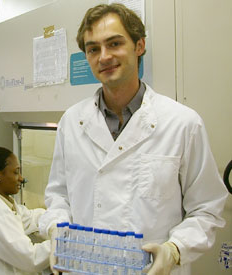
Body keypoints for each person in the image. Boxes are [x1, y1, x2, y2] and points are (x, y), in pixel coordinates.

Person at [39, 4, 228, 275]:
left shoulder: (182, 123)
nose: (104, 57)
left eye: (114, 43)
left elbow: (206, 209)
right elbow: (58, 195)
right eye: (93, 49)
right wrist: (57, 229)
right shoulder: (71, 121)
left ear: (139, 46)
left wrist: (175, 249)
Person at [0, 147, 51, 275]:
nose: (21, 178)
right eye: (15, 172)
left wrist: (55, 219)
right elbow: (32, 259)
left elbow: (29, 217)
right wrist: (62, 243)